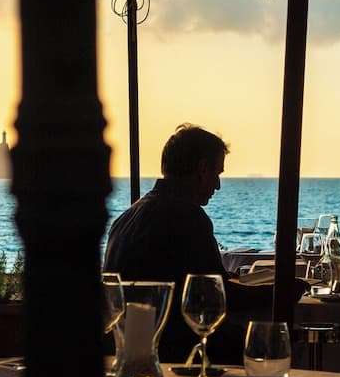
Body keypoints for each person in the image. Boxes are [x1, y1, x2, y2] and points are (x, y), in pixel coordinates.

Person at [104, 124, 284, 364]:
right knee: (272, 343)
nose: (217, 185)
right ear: (202, 168)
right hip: (177, 349)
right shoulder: (187, 217)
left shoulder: (126, 219)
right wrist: (280, 292)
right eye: (217, 173)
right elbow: (217, 298)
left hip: (126, 347)